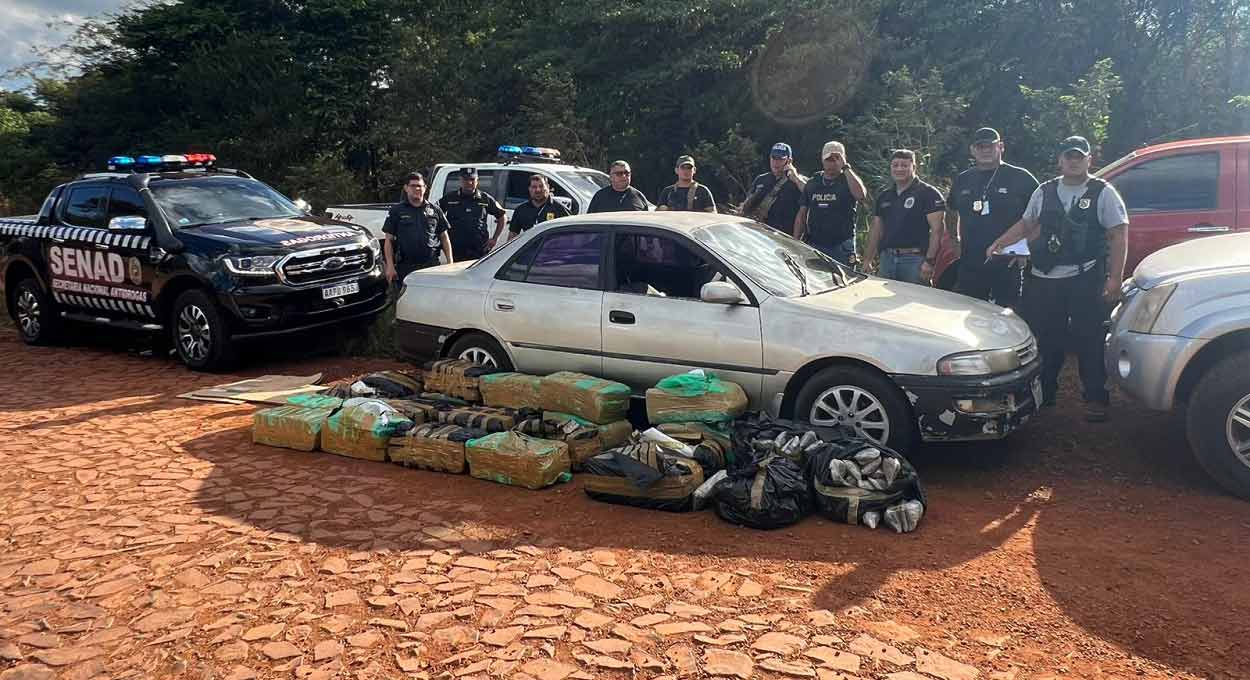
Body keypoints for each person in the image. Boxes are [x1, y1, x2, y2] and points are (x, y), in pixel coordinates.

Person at [986, 135, 1129, 422]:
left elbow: (1118, 235)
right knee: (1046, 339)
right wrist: (999, 243)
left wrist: (1115, 278)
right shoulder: (1044, 190)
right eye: (1068, 156)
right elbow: (1027, 224)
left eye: (1079, 157)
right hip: (1043, 279)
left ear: (1089, 160)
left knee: (1089, 338)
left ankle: (1095, 398)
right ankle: (1045, 394)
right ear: (1060, 160)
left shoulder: (1104, 192)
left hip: (1084, 276)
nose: (1074, 162)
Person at [948, 128, 1038, 307]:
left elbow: (1039, 216)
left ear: (1001, 147)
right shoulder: (963, 179)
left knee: (1007, 314)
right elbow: (951, 209)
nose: (986, 150)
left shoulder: (1021, 177)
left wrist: (1026, 248)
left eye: (990, 146)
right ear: (973, 150)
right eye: (980, 147)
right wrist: (954, 239)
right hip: (970, 262)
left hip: (1008, 262)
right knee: (967, 312)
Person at [863, 149, 946, 284]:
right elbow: (876, 230)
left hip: (915, 261)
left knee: (914, 298)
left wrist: (930, 261)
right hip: (887, 260)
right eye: (895, 165)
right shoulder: (884, 196)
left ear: (914, 167)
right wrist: (868, 260)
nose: (899, 169)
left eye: (904, 165)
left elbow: (937, 231)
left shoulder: (929, 193)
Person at [792, 141, 866, 263]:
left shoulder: (848, 180)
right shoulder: (813, 182)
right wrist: (795, 242)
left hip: (841, 245)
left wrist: (845, 167)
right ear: (822, 159)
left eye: (837, 158)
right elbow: (802, 214)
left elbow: (861, 196)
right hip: (815, 244)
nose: (833, 162)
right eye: (829, 159)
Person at [382, 172, 453, 287]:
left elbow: (444, 237)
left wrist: (450, 263)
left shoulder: (435, 210)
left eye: (420, 186)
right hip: (406, 266)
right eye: (413, 186)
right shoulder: (397, 211)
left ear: (425, 188)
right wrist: (390, 266)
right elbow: (388, 240)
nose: (417, 189)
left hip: (431, 265)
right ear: (406, 188)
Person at [438, 167, 506, 261]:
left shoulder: (485, 198)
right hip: (456, 249)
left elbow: (502, 216)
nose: (469, 182)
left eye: (472, 179)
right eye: (465, 179)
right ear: (460, 180)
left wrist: (495, 238)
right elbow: (435, 215)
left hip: (479, 249)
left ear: (477, 180)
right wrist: (441, 238)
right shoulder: (450, 198)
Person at [741, 142, 806, 231]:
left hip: (783, 235)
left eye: (780, 159)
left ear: (789, 161)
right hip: (759, 232)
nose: (776, 162)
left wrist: (796, 178)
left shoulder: (797, 181)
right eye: (774, 158)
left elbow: (811, 195)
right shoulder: (761, 179)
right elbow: (746, 206)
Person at [509, 174, 571, 239]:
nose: (538, 190)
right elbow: (512, 236)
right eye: (534, 187)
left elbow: (570, 235)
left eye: (541, 186)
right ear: (529, 189)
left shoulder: (559, 209)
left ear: (548, 187)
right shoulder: (521, 210)